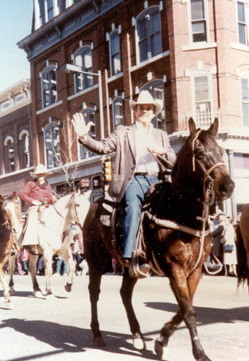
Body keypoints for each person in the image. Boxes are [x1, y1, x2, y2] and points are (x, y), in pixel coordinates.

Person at [72, 90, 176, 274]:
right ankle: (130, 255)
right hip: (134, 180)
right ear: (135, 111)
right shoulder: (123, 132)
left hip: (157, 180)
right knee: (133, 208)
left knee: (172, 209)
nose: (145, 111)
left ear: (153, 112)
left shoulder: (161, 135)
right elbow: (103, 147)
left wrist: (161, 151)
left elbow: (172, 159)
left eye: (149, 109)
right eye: (141, 108)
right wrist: (83, 137)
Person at [20, 164, 53, 247]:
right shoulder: (30, 184)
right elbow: (23, 195)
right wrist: (33, 201)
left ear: (45, 175)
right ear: (36, 175)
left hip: (46, 207)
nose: (40, 176)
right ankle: (31, 241)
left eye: (42, 174)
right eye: (39, 174)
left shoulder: (48, 186)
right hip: (34, 208)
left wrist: (51, 200)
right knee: (32, 220)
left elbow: (50, 199)